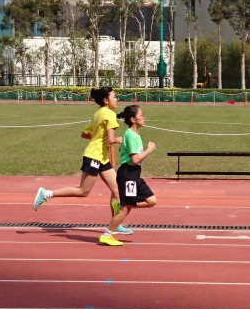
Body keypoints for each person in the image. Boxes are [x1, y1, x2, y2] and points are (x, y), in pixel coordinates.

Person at [33, 87, 129, 238]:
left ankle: (116, 224)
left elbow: (84, 134)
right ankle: (46, 193)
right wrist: (118, 140)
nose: (117, 99)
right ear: (106, 100)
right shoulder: (109, 114)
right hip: (94, 156)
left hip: (101, 157)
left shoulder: (98, 113)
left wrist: (98, 139)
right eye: (114, 97)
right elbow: (111, 140)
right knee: (83, 191)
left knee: (117, 190)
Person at [100, 105, 157, 246]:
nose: (143, 117)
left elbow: (126, 151)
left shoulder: (134, 134)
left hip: (134, 174)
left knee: (151, 201)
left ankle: (123, 203)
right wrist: (150, 150)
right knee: (126, 209)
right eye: (141, 115)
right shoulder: (131, 135)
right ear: (133, 119)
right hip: (128, 174)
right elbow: (135, 160)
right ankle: (106, 235)